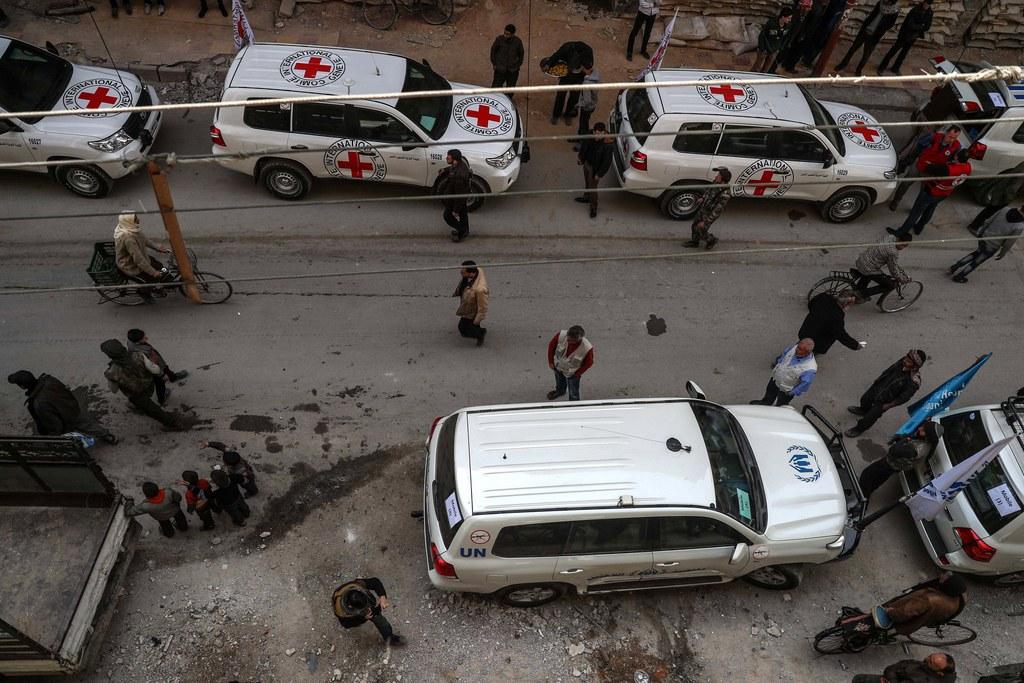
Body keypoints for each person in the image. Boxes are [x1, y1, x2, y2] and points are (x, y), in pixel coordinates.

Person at [7, 370, 116, 443]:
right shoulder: (49, 379)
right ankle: (106, 435)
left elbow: (54, 424)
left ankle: (84, 444)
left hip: (65, 419)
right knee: (85, 424)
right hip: (71, 407)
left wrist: (54, 434)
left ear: (22, 386)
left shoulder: (38, 403)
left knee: (71, 435)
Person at [101, 339, 183, 430]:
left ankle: (172, 423)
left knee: (152, 410)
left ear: (110, 355)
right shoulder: (138, 355)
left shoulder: (111, 372)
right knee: (148, 401)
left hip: (136, 395)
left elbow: (114, 390)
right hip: (149, 385)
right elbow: (156, 370)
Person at [889, 149, 971, 238]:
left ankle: (900, 232)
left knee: (916, 212)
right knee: (930, 210)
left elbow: (930, 169)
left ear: (956, 156)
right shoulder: (968, 167)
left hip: (931, 191)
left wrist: (929, 163)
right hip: (944, 193)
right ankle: (919, 228)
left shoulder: (949, 169)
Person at [845, 349, 925, 437]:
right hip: (879, 387)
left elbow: (903, 398)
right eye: (906, 357)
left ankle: (858, 429)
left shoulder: (913, 381)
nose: (905, 360)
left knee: (869, 418)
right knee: (865, 399)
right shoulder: (903, 361)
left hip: (885, 400)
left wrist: (888, 405)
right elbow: (890, 369)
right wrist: (879, 379)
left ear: (915, 366)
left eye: (909, 361)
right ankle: (863, 410)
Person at [858, 421, 942, 500]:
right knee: (876, 480)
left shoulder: (915, 450)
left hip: (889, 464)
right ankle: (864, 494)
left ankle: (862, 501)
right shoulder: (926, 442)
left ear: (928, 436)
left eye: (923, 430)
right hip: (894, 465)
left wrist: (905, 440)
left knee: (867, 475)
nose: (920, 428)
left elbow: (894, 450)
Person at [890, 125, 961, 210]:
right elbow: (919, 146)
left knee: (923, 192)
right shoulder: (933, 137)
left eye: (955, 138)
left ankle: (916, 208)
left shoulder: (957, 146)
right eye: (950, 137)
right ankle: (896, 201)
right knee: (906, 183)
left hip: (931, 172)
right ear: (946, 133)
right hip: (920, 165)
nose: (952, 140)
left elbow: (953, 160)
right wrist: (911, 159)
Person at [873, 573, 967, 636]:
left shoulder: (928, 600)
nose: (941, 575)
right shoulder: (961, 595)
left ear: (947, 586)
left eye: (945, 578)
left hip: (909, 618)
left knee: (883, 624)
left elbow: (904, 613)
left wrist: (890, 612)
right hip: (932, 616)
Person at [950, 206, 1024, 283]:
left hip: (984, 237)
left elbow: (988, 221)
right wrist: (1002, 253)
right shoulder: (1019, 226)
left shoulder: (1005, 209)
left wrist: (980, 233)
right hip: (992, 246)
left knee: (976, 253)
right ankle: (960, 276)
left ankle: (954, 267)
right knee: (976, 262)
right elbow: (1009, 242)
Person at [332, 578, 405, 647]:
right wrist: (363, 619)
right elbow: (346, 624)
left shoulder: (358, 585)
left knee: (382, 622)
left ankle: (389, 638)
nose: (369, 609)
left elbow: (375, 582)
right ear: (351, 607)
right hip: (360, 615)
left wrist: (382, 596)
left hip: (363, 607)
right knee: (378, 619)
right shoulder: (341, 612)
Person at [834, 0, 900, 76]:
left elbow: (890, 24)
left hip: (875, 35)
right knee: (853, 48)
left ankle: (859, 70)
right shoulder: (880, 3)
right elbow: (872, 15)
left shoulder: (894, 11)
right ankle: (842, 65)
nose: (885, 1)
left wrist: (880, 30)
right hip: (865, 30)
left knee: (866, 54)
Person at [113, 212, 171, 298]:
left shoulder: (130, 228)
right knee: (152, 279)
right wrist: (153, 272)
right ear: (129, 222)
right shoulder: (128, 239)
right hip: (131, 265)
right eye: (136, 219)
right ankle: (144, 294)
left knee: (160, 266)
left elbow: (144, 239)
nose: (139, 220)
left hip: (141, 258)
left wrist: (157, 248)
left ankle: (166, 280)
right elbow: (138, 260)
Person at [127, 329, 188, 406]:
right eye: (143, 338)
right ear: (137, 342)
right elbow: (153, 368)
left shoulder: (130, 342)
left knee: (167, 369)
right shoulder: (142, 353)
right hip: (156, 370)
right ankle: (162, 399)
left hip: (160, 364)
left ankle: (173, 377)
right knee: (160, 384)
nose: (146, 338)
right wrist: (162, 375)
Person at [751, 338, 817, 407]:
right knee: (770, 393)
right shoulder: (793, 349)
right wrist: (777, 362)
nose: (796, 350)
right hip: (775, 379)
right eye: (798, 347)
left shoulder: (810, 368)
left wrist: (792, 392)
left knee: (782, 403)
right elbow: (784, 355)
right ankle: (765, 403)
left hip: (786, 389)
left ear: (807, 353)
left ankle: (779, 412)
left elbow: (805, 384)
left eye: (800, 349)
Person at [541, 41, 594, 125]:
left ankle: (568, 115)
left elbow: (589, 70)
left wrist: (582, 69)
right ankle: (556, 115)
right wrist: (548, 64)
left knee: (574, 97)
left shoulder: (588, 52)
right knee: (560, 95)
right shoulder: (567, 47)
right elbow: (556, 56)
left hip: (579, 77)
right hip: (566, 75)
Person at [877, 0, 933, 75]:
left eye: (928, 5)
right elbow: (910, 24)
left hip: (913, 36)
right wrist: (921, 26)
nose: (926, 6)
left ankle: (895, 68)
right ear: (924, 2)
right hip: (905, 34)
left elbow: (927, 27)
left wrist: (919, 27)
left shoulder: (929, 13)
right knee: (893, 51)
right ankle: (881, 68)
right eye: (926, 4)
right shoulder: (915, 10)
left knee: (903, 53)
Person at [967, 160, 1024, 232]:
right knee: (990, 211)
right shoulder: (1022, 173)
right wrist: (1009, 199)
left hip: (1001, 190)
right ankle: (974, 226)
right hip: (1003, 195)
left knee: (989, 210)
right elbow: (1012, 188)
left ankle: (977, 225)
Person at [798, 292, 863, 355]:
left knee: (801, 345)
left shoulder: (823, 296)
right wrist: (855, 345)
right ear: (846, 304)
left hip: (805, 331)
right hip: (816, 343)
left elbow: (811, 304)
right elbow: (841, 335)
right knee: (805, 354)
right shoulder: (837, 317)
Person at [852, 233, 912, 301]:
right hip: (868, 268)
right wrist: (901, 279)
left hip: (862, 259)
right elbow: (893, 270)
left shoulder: (890, 237)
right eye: (903, 245)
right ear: (899, 240)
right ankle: (861, 294)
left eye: (906, 246)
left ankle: (858, 289)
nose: (903, 248)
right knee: (890, 285)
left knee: (867, 277)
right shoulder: (893, 252)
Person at [684, 167, 732, 249]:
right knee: (694, 226)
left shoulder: (725, 193)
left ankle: (711, 240)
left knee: (701, 229)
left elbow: (717, 210)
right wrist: (703, 198)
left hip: (709, 214)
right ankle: (695, 242)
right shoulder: (716, 182)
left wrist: (706, 221)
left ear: (723, 179)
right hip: (703, 208)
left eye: (719, 175)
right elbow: (708, 191)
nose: (716, 177)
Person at [575, 122, 614, 219]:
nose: (596, 136)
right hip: (587, 163)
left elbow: (607, 162)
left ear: (604, 132)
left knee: (593, 188)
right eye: (595, 133)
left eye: (599, 133)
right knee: (587, 182)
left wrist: (599, 174)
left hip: (595, 169)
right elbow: (584, 147)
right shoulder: (590, 136)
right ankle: (586, 197)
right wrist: (581, 158)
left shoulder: (608, 145)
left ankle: (593, 207)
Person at [546, 326, 595, 401]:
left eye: (572, 341)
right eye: (568, 339)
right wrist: (551, 362)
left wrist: (577, 374)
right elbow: (551, 346)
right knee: (559, 382)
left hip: (573, 373)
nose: (569, 342)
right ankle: (560, 391)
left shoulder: (587, 348)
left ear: (579, 339)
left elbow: (589, 363)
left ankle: (574, 401)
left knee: (573, 390)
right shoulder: (561, 336)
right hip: (559, 366)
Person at [437, 149, 472, 242]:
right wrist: (444, 170)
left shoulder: (458, 178)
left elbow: (459, 195)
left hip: (455, 198)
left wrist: (455, 210)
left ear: (454, 159)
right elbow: (453, 167)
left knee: (447, 216)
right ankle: (464, 231)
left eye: (448, 156)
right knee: (463, 214)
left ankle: (462, 230)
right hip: (464, 194)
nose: (446, 158)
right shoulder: (461, 162)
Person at [852, 653, 957, 683]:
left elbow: (893, 669)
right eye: (930, 656)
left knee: (859, 679)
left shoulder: (920, 680)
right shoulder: (949, 675)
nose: (926, 658)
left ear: (940, 673)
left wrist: (890, 678)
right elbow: (904, 663)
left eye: (930, 662)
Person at [453, 261, 489, 346]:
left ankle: (480, 334)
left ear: (471, 273)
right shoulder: (475, 271)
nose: (461, 272)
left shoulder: (480, 289)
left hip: (471, 310)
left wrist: (478, 319)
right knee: (472, 326)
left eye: (463, 271)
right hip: (469, 303)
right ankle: (478, 330)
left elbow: (483, 306)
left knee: (462, 328)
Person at [753, 7, 794, 72]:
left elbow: (786, 38)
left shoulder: (788, 26)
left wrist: (780, 48)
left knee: (766, 68)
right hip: (765, 49)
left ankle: (761, 79)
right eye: (788, 18)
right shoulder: (771, 23)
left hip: (774, 50)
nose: (790, 20)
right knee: (757, 67)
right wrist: (762, 48)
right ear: (783, 17)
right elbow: (762, 36)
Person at [490, 24, 524, 91]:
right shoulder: (499, 39)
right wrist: (494, 64)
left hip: (512, 71)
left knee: (510, 90)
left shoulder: (518, 42)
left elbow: (521, 55)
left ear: (512, 34)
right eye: (505, 33)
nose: (505, 35)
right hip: (500, 69)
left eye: (507, 34)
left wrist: (516, 67)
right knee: (495, 89)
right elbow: (493, 51)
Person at [573, 68, 600, 146]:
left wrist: (578, 105)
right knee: (583, 122)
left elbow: (587, 101)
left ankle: (582, 143)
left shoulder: (586, 84)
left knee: (583, 124)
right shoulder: (596, 74)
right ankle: (579, 138)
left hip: (587, 107)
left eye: (583, 68)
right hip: (593, 104)